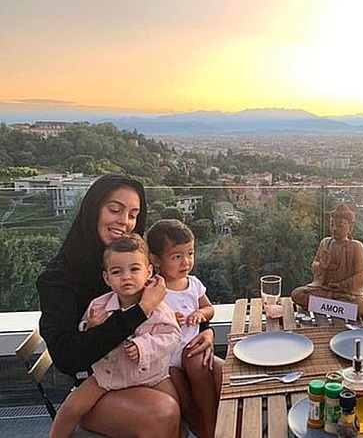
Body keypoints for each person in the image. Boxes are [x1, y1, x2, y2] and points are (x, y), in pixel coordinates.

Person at [37, 173, 216, 438]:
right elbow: (67, 357)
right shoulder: (60, 278)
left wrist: (206, 330)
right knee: (163, 411)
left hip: (148, 367)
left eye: (133, 214)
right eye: (114, 209)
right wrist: (140, 311)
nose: (124, 221)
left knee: (220, 372)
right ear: (93, 209)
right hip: (99, 380)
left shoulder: (134, 264)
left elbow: (180, 301)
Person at [50, 234, 182, 438]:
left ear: (148, 271)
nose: (126, 277)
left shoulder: (158, 308)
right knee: (69, 409)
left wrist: (143, 346)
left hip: (150, 376)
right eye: (117, 272)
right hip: (108, 375)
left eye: (134, 269)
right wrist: (91, 327)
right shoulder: (99, 305)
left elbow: (172, 335)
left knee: (176, 416)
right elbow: (83, 339)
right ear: (107, 278)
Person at [146, 218, 223, 438]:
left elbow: (209, 309)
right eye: (176, 256)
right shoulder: (153, 288)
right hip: (166, 357)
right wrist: (166, 318)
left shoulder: (193, 283)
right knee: (183, 398)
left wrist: (201, 314)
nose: (186, 262)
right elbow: (143, 321)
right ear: (156, 260)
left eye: (190, 253)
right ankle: (198, 426)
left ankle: (211, 423)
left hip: (191, 346)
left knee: (200, 369)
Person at [291, 203, 363, 317]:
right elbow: (315, 265)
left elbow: (362, 275)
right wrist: (321, 266)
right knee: (297, 295)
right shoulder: (325, 243)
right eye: (332, 225)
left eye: (340, 226)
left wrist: (342, 285)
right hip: (325, 289)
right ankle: (339, 309)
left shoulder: (356, 246)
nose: (334, 229)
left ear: (350, 227)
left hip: (346, 293)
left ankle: (323, 306)